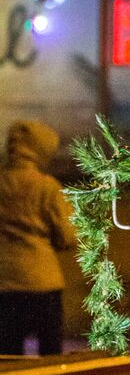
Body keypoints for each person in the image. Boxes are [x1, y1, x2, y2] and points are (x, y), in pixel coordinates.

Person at [0, 120, 77, 355]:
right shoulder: (47, 187)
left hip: (4, 285)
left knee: (9, 358)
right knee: (50, 357)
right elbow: (68, 236)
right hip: (43, 284)